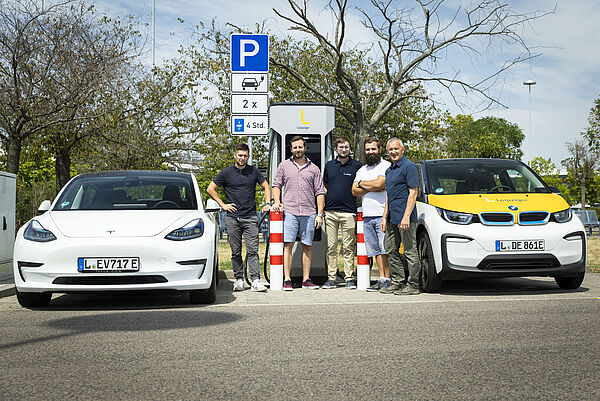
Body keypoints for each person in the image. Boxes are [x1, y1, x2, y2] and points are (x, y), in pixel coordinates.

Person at [207, 143, 271, 292]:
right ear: (235, 155)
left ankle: (255, 280)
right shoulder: (226, 173)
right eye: (240, 155)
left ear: (248, 157)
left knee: (253, 250)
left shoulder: (254, 171)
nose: (242, 158)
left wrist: (267, 203)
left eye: (245, 156)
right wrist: (223, 205)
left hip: (250, 217)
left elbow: (266, 187)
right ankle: (239, 279)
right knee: (235, 251)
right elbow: (211, 189)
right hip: (232, 218)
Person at [272, 135, 326, 291]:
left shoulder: (314, 168)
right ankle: (287, 279)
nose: (298, 150)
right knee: (287, 245)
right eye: (295, 147)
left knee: (307, 246)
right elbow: (276, 185)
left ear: (305, 148)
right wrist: (276, 201)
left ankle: (306, 279)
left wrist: (320, 214)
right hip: (289, 211)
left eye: (300, 147)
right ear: (291, 149)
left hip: (309, 212)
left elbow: (320, 192)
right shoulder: (284, 166)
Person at [380, 138, 420, 295]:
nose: (393, 152)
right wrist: (384, 217)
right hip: (391, 217)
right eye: (390, 149)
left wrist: (406, 217)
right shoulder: (389, 171)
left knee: (410, 251)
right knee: (391, 250)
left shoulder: (409, 167)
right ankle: (397, 282)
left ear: (402, 149)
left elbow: (413, 193)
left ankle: (413, 284)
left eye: (396, 149)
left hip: (406, 218)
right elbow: (389, 196)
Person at [322, 137, 362, 290]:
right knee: (331, 246)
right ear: (336, 149)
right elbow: (326, 185)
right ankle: (331, 278)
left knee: (348, 247)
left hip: (349, 212)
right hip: (330, 211)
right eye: (341, 147)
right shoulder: (329, 166)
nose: (344, 149)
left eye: (346, 147)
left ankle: (349, 278)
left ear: (349, 148)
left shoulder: (357, 166)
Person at [352, 137, 392, 291]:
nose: (370, 152)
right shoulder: (362, 170)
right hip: (367, 215)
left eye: (373, 149)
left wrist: (363, 184)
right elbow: (354, 190)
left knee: (384, 249)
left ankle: (387, 279)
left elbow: (381, 185)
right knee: (375, 250)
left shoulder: (386, 166)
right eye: (368, 149)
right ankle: (381, 279)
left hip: (382, 213)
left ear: (379, 150)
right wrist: (370, 185)